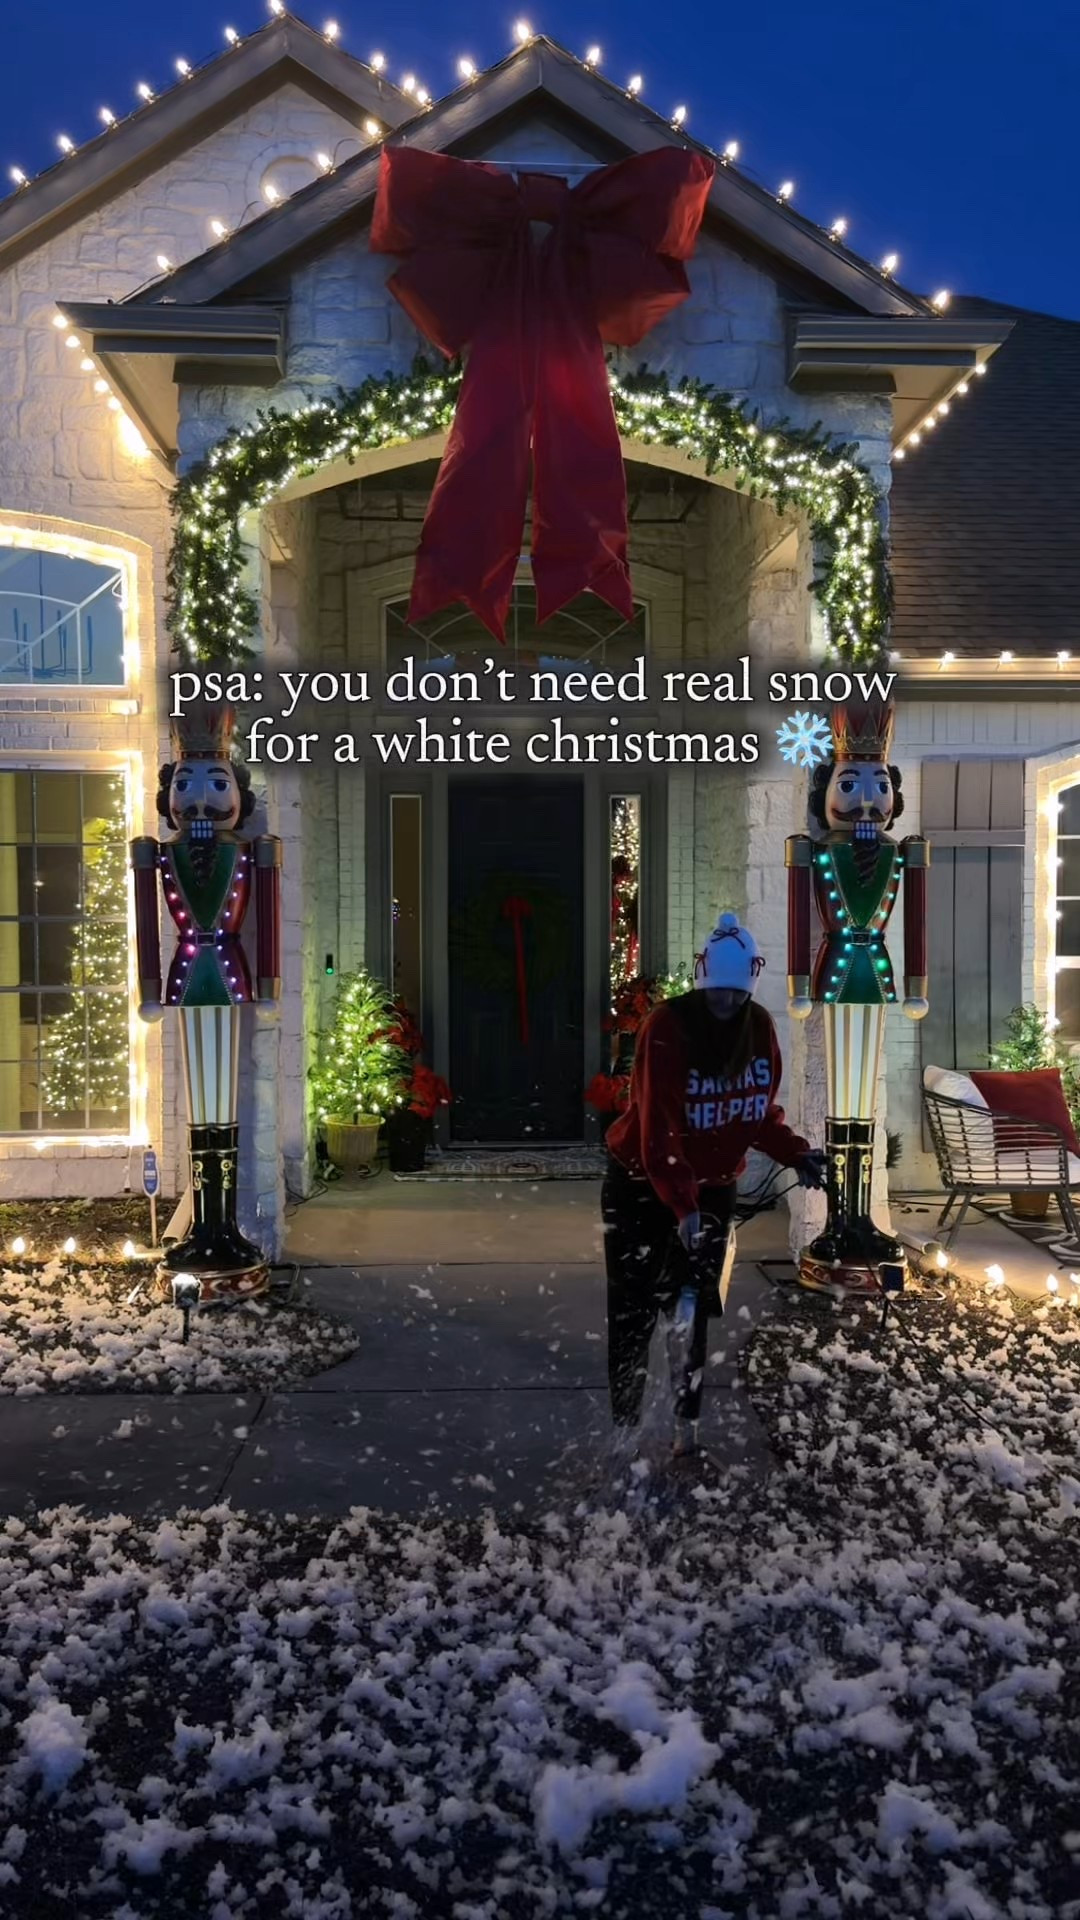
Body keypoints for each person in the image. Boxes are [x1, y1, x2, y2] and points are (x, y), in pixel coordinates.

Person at [602, 911, 825, 1462]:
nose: (726, 1006)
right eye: (716, 996)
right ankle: (625, 1432)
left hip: (712, 1189)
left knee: (691, 1310)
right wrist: (682, 1204)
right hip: (641, 1184)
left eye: (735, 996)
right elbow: (658, 1128)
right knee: (633, 1313)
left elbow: (756, 1112)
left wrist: (795, 1153)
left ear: (748, 984)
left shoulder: (759, 1029)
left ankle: (686, 1433)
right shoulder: (666, 1028)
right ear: (702, 982)